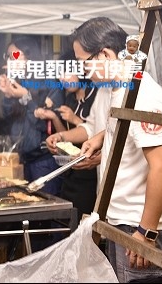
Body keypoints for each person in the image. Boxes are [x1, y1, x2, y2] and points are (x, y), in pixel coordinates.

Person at [71, 17, 162, 283]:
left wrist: (146, 233)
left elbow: (161, 169)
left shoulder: (144, 96)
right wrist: (101, 137)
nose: (83, 70)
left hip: (142, 227)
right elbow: (131, 130)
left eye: (84, 62)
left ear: (105, 54)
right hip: (124, 222)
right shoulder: (122, 88)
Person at [0, 36, 65, 195]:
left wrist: (25, 97)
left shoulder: (49, 82)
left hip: (43, 159)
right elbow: (8, 116)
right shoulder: (18, 81)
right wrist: (7, 94)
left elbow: (44, 123)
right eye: (8, 56)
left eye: (14, 55)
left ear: (29, 56)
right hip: (21, 158)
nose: (10, 60)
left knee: (46, 204)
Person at [42, 50, 99, 219]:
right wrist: (55, 121)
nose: (63, 79)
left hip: (91, 172)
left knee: (84, 221)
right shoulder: (70, 99)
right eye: (60, 75)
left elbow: (96, 132)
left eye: (66, 73)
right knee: (69, 220)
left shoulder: (95, 95)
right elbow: (67, 135)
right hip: (71, 170)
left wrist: (74, 119)